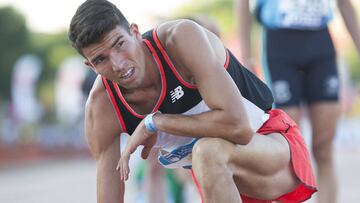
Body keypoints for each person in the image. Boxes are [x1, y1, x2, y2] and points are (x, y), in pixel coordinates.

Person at [69, 0, 317, 202]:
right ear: (89, 65)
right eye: (101, 60)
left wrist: (156, 123)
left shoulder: (179, 39)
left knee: (206, 151)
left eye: (119, 44)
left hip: (270, 148)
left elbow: (239, 128)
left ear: (134, 32)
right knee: (199, 158)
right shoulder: (102, 106)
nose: (118, 64)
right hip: (220, 182)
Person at [237, 1, 360, 203]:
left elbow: (345, 4)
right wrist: (247, 58)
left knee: (324, 147)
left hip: (320, 42)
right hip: (280, 44)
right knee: (290, 150)